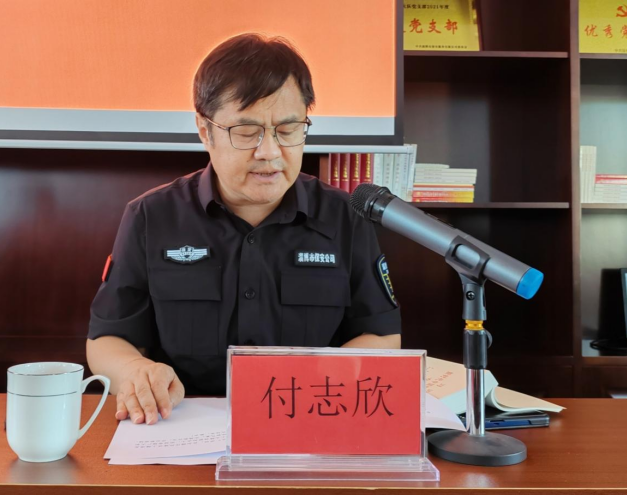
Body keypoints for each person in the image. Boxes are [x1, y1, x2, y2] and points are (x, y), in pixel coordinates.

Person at [86, 33, 402, 426]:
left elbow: (381, 335)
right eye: (247, 132)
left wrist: (316, 383)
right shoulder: (151, 216)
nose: (269, 152)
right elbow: (107, 338)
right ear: (205, 130)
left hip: (306, 422)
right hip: (182, 425)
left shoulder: (345, 217)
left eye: (288, 129)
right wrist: (135, 371)